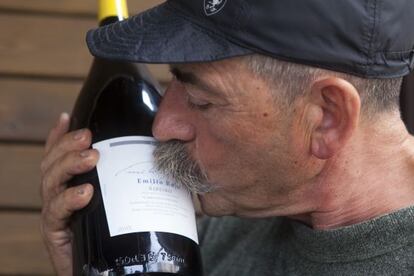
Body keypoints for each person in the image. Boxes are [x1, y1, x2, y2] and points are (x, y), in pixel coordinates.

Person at [40, 0, 414, 275]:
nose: (163, 125)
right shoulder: (228, 227)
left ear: (327, 118)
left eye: (201, 101)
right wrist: (81, 262)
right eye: (173, 79)